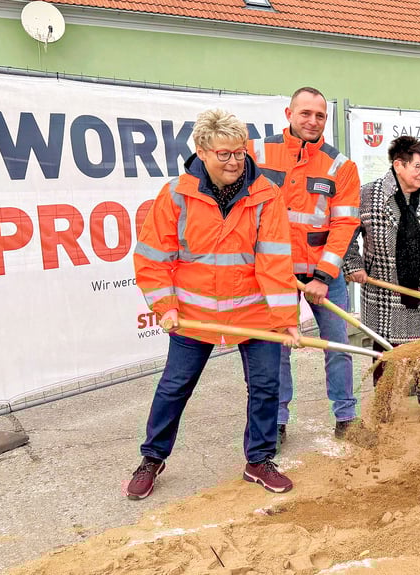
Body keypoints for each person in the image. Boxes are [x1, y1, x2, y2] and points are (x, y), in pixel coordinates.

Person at [127, 108, 299, 499]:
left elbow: (274, 261)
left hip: (254, 314)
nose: (235, 161)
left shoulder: (265, 194)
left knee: (266, 386)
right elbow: (153, 257)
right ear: (202, 151)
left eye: (239, 153)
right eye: (224, 154)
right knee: (174, 387)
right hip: (195, 315)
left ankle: (259, 460)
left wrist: (286, 319)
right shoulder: (176, 194)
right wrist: (165, 306)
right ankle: (151, 459)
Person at [258, 87, 361, 444]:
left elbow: (344, 225)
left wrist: (322, 276)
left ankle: (346, 416)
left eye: (319, 116)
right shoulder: (256, 152)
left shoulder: (341, 166)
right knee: (278, 350)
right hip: (276, 276)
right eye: (305, 114)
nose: (312, 121)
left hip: (322, 276)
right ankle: (277, 420)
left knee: (338, 347)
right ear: (289, 114)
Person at [343, 136, 420, 417]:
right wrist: (353, 264)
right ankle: (384, 401)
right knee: (385, 350)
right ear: (398, 165)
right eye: (417, 167)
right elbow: (345, 234)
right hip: (383, 288)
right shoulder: (368, 194)